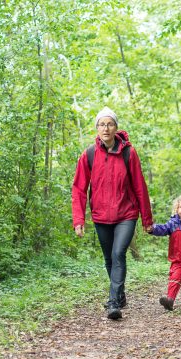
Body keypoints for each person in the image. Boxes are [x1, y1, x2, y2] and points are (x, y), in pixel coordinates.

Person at [71, 107, 153, 320]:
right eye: (101, 124)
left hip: (126, 213)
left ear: (116, 127)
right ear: (97, 128)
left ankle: (113, 302)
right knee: (109, 258)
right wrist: (79, 219)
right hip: (100, 216)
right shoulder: (89, 154)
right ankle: (121, 295)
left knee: (118, 254)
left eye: (110, 124)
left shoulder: (128, 152)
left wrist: (147, 218)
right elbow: (79, 188)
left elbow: (139, 186)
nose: (105, 128)